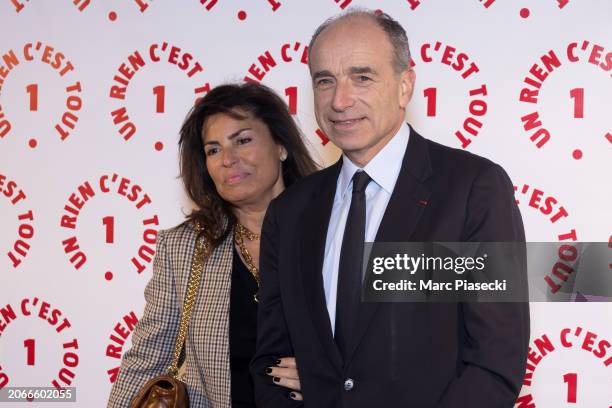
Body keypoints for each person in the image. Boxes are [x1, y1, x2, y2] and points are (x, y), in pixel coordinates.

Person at [251, 9, 530, 408]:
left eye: (362, 77)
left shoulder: (472, 189)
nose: (340, 100)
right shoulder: (290, 211)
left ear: (405, 86)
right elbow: (271, 364)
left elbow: (494, 362)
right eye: (325, 81)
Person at [108, 82, 318, 407]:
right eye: (213, 149)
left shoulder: (337, 228)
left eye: (243, 140)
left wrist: (329, 374)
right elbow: (148, 357)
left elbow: (383, 343)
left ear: (281, 146)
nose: (228, 160)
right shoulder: (184, 247)